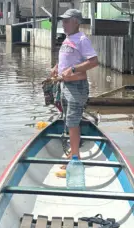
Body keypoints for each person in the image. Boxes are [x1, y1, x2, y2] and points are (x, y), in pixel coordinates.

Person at [50, 9, 99, 170]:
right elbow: (68, 58)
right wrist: (57, 67)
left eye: (66, 21)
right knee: (69, 120)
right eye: (62, 21)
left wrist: (71, 70)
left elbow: (93, 62)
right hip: (65, 85)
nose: (63, 24)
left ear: (76, 22)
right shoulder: (68, 38)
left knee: (72, 122)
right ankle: (74, 152)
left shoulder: (82, 39)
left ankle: (75, 158)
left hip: (76, 87)